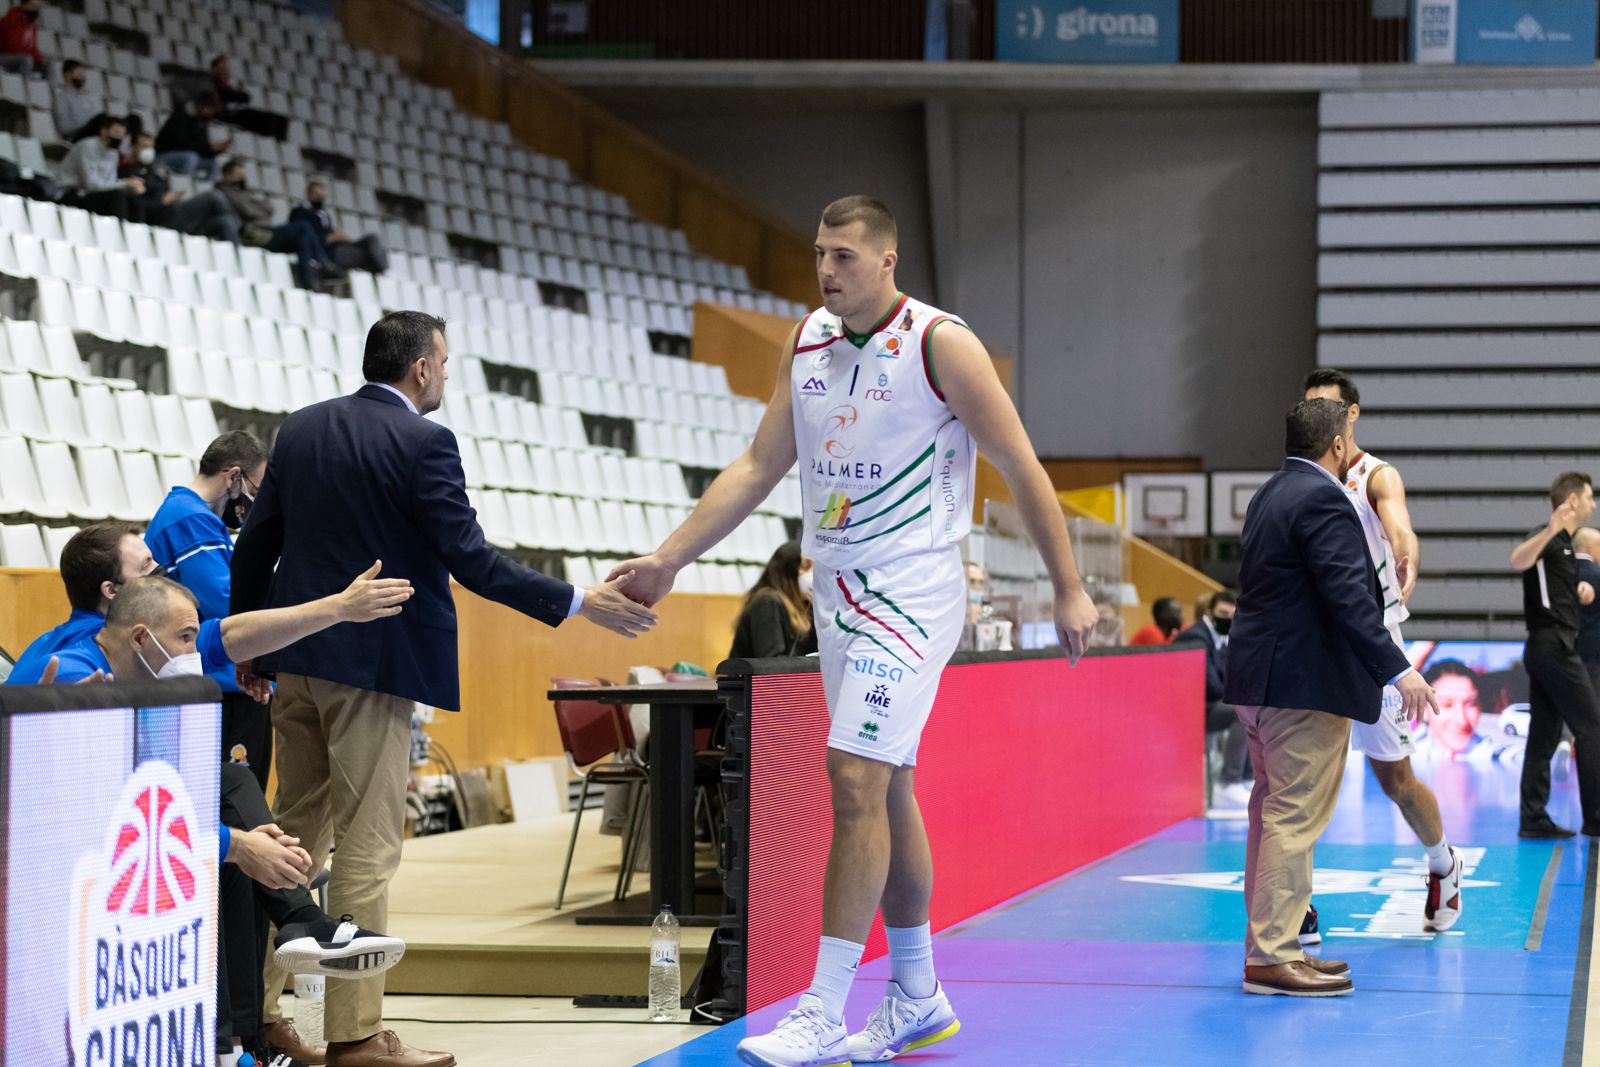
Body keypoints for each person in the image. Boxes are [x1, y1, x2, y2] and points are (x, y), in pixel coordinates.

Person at [602, 195, 1099, 1066]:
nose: (827, 270)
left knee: (852, 772)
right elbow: (758, 465)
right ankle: (917, 992)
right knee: (888, 786)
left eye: (843, 255)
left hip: (914, 591)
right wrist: (668, 558)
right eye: (820, 255)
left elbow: (1021, 464)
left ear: (887, 259)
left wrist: (1068, 586)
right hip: (835, 593)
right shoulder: (807, 343)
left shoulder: (944, 344)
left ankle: (824, 1006)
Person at [231, 310, 658, 1067]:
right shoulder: (425, 441)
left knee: (286, 838)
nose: (447, 377)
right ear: (422, 368)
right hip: (373, 662)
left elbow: (257, 542)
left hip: (292, 654)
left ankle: (257, 1017)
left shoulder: (298, 428)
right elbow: (470, 558)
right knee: (366, 847)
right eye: (447, 365)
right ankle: (355, 1035)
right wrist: (575, 599)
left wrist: (251, 642)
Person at [87, 572, 413, 1067]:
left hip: (120, 828)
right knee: (222, 854)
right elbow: (99, 811)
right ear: (138, 635)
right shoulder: (74, 674)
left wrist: (341, 607)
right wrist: (233, 843)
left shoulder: (138, 666)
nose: (196, 652)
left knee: (234, 789)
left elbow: (237, 634)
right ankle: (295, 926)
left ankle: (242, 1034)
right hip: (64, 855)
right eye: (186, 638)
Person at [1225, 398, 1436, 997]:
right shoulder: (1324, 498)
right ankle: (1272, 956)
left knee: (1270, 815)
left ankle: (1276, 944)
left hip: (1259, 682)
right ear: (1339, 446)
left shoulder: (1270, 493)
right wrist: (1399, 670)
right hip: (1302, 686)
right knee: (1292, 817)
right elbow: (1349, 598)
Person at [1304, 369, 1463, 935]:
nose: (1316, 419)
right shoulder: (1300, 480)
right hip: (1317, 647)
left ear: (1351, 416)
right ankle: (1296, 905)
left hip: (1377, 647)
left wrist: (1405, 551)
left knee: (1395, 780)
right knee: (1304, 783)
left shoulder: (1376, 475)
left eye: (1327, 409)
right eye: (1308, 409)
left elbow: (1399, 524)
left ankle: (1444, 863)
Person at [145, 430, 273, 787]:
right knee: (236, 804)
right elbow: (228, 601)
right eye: (256, 490)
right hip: (221, 686)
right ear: (234, 477)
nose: (254, 502)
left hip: (224, 683)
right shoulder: (190, 519)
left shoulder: (194, 517)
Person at [1510, 471, 1600, 838]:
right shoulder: (1545, 536)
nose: (1593, 504)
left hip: (1550, 647)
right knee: (1592, 725)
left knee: (1544, 735)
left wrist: (1577, 588)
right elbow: (1517, 561)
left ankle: (1533, 817)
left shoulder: (1564, 546)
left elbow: (1550, 588)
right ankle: (1595, 816)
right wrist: (1548, 531)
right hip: (1553, 647)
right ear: (1574, 500)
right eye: (1590, 497)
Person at [5, 521, 161, 684]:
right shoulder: (113, 647)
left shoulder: (42, 643)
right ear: (111, 590)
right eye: (146, 565)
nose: (159, 570)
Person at [1173, 589, 1250, 807]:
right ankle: (1228, 783)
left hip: (1206, 704)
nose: (1226, 619)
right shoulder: (1196, 637)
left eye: (1231, 616)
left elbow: (1229, 676)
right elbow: (1212, 686)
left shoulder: (1220, 638)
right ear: (1209, 612)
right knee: (1241, 712)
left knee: (1254, 708)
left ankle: (1246, 778)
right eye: (1222, 613)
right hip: (1190, 709)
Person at [217, 160, 332, 290]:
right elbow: (249, 210)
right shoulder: (226, 194)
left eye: (243, 176)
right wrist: (259, 208)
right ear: (228, 176)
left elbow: (268, 209)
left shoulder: (244, 192)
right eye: (239, 176)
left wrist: (258, 208)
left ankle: (308, 282)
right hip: (254, 235)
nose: (242, 179)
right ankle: (322, 262)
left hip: (265, 232)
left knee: (303, 238)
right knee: (303, 226)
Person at [119, 126, 241, 242]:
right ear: (133, 146)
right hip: (162, 222)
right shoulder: (129, 172)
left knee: (225, 221)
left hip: (175, 217)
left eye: (151, 147)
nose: (149, 151)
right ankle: (241, 227)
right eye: (144, 146)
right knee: (214, 196)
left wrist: (172, 198)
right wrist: (162, 202)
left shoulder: (151, 171)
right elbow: (135, 207)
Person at [730, 540, 813, 659]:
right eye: (805, 566)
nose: (812, 573)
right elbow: (771, 661)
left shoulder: (805, 605)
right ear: (786, 570)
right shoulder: (767, 601)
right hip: (748, 677)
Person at [57, 113, 147, 223]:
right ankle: (118, 232)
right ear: (104, 131)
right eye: (116, 132)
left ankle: (133, 234)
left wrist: (131, 186)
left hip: (90, 194)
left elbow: (110, 183)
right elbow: (91, 184)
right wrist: (124, 183)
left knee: (135, 200)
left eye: (122, 134)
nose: (119, 137)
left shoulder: (113, 153)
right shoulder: (88, 146)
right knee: (116, 197)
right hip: (71, 193)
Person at [291, 179, 388, 275]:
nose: (321, 198)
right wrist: (331, 238)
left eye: (322, 196)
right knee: (370, 255)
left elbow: (326, 230)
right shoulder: (299, 212)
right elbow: (303, 239)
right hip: (330, 253)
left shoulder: (323, 214)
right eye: (318, 195)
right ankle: (381, 271)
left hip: (341, 246)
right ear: (309, 194)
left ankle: (380, 269)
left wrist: (337, 234)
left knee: (373, 240)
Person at [210, 53, 289, 140]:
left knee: (279, 119)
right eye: (223, 72)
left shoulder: (230, 88)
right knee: (261, 119)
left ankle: (279, 142)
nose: (226, 74)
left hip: (239, 112)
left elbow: (245, 98)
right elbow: (221, 106)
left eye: (226, 72)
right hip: (231, 116)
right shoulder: (215, 88)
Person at [155, 90, 232, 179]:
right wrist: (209, 147)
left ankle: (208, 189)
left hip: (186, 155)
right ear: (201, 105)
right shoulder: (180, 116)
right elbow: (182, 144)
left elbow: (202, 147)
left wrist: (214, 151)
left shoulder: (201, 122)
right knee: (191, 157)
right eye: (210, 108)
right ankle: (183, 183)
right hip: (165, 154)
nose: (211, 113)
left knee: (213, 163)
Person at [52, 59, 103, 144]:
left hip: (93, 136)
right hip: (75, 138)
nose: (82, 77)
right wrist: (88, 125)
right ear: (67, 75)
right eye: (79, 74)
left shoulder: (89, 98)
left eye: (83, 74)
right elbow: (64, 128)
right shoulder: (61, 98)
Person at [0, 0, 44, 76]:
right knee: (27, 60)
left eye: (37, 7)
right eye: (33, 6)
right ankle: (24, 85)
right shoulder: (11, 19)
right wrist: (31, 55)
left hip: (18, 57)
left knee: (46, 64)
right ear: (24, 5)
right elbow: (12, 47)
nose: (35, 10)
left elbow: (32, 48)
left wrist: (40, 58)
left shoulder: (32, 24)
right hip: (4, 55)